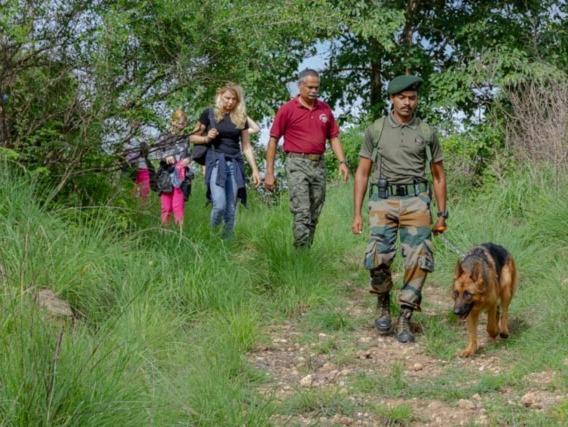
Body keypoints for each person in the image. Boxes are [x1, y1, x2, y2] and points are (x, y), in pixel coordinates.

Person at [352, 75, 448, 343]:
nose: (407, 103)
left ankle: (405, 316)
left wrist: (441, 214)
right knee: (378, 258)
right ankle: (383, 301)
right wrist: (357, 213)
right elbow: (362, 172)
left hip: (416, 201)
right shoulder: (376, 129)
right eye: (402, 98)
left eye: (412, 98)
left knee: (419, 258)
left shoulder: (426, 131)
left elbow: (438, 175)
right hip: (383, 201)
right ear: (392, 99)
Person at [264, 68, 349, 248]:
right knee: (302, 211)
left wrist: (342, 162)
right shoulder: (287, 109)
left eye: (316, 87)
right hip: (296, 163)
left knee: (314, 212)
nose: (314, 91)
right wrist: (269, 173)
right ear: (300, 86)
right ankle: (300, 254)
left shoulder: (324, 109)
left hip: (318, 164)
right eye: (310, 87)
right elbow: (273, 141)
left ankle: (306, 251)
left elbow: (333, 137)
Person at [190, 83, 260, 238]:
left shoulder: (240, 118)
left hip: (235, 163)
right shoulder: (208, 114)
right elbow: (192, 137)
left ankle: (226, 243)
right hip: (215, 162)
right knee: (220, 204)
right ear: (220, 96)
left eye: (234, 99)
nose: (230, 102)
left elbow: (246, 146)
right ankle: (212, 236)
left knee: (230, 209)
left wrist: (255, 170)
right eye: (227, 98)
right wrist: (207, 138)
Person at [156, 109, 192, 227]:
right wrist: (166, 156)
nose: (180, 125)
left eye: (183, 123)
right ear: (172, 121)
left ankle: (180, 238)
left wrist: (188, 160)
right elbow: (156, 153)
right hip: (166, 176)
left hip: (181, 177)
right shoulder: (164, 136)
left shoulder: (186, 139)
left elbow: (189, 155)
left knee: (178, 207)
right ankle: (165, 235)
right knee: (166, 208)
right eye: (178, 122)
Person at [124, 121, 152, 204]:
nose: (136, 123)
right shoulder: (126, 135)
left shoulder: (144, 134)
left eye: (138, 121)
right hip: (130, 167)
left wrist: (145, 148)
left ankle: (141, 211)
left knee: (144, 191)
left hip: (143, 167)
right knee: (130, 189)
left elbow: (147, 151)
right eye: (133, 121)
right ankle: (129, 207)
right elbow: (123, 151)